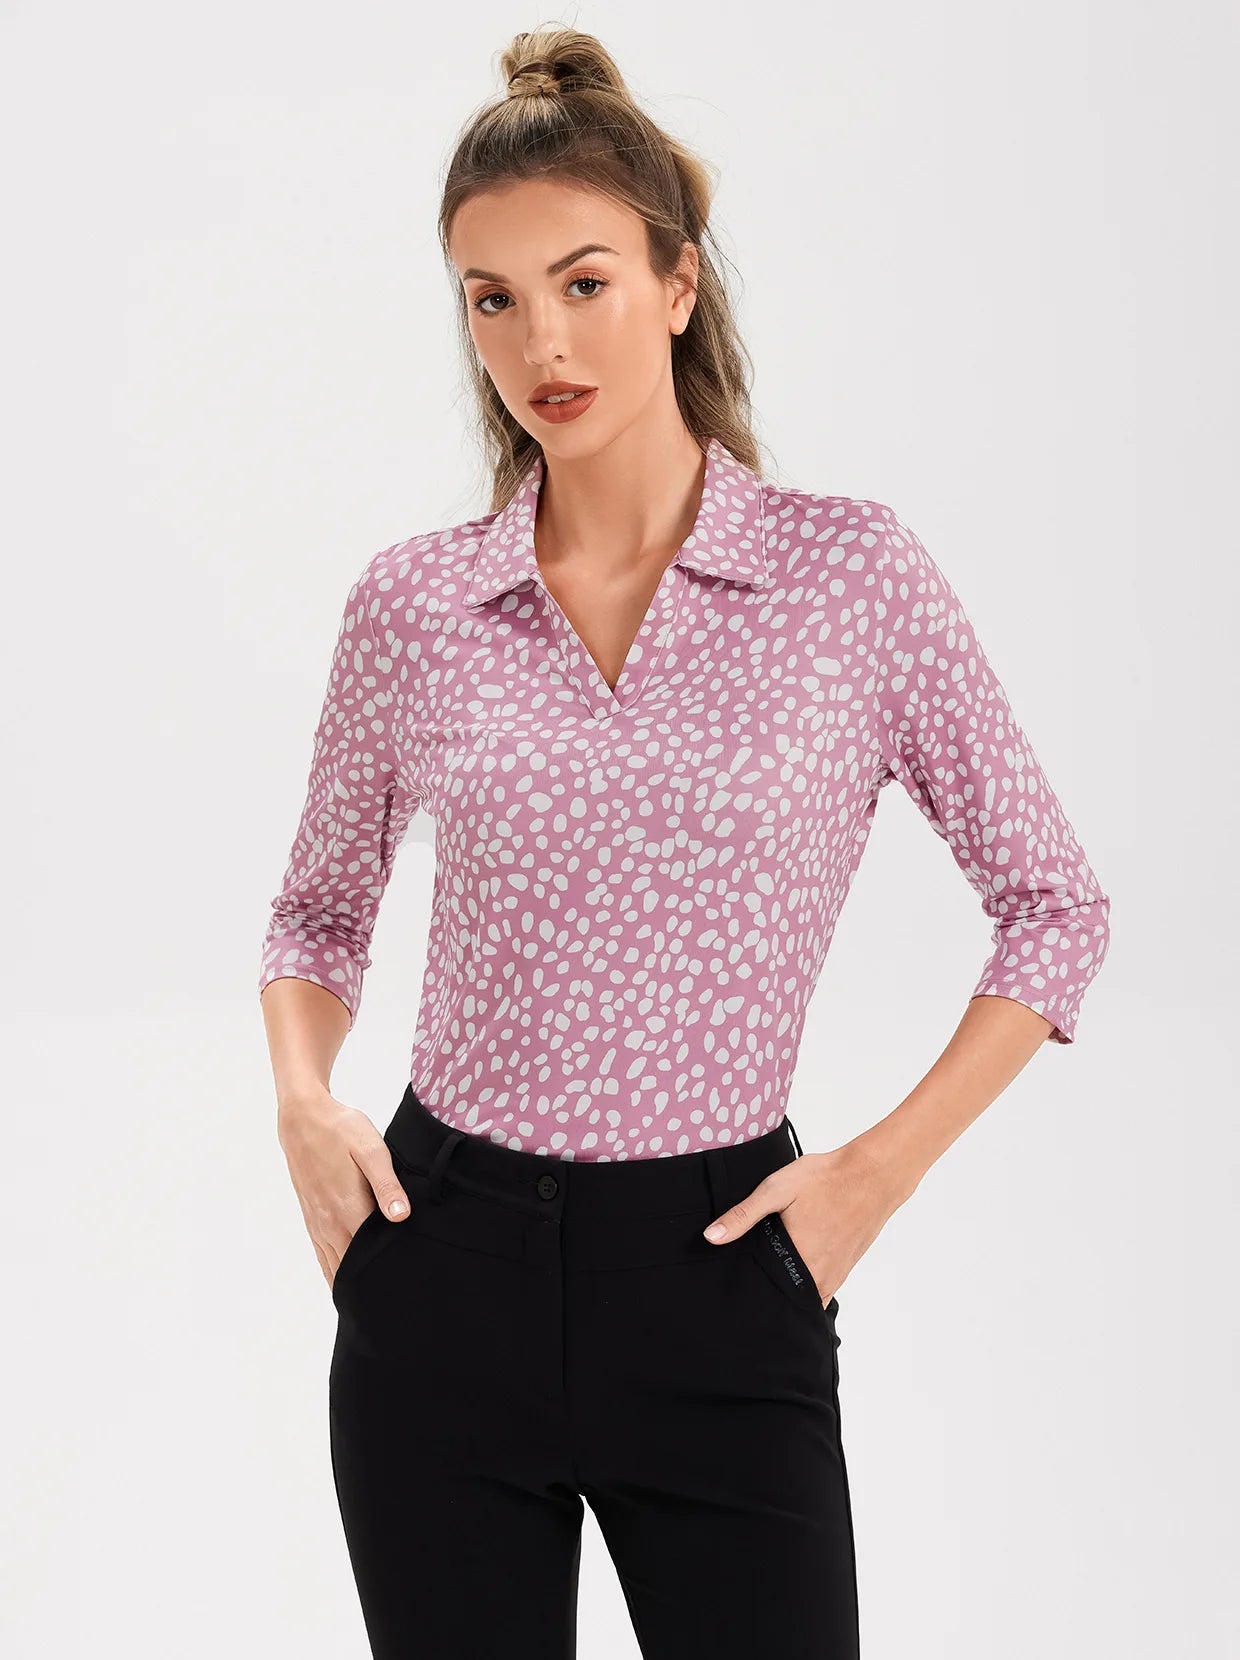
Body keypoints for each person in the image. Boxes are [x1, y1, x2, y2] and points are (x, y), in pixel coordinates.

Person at [258, 26, 1111, 1660]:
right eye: (492, 299)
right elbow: (317, 910)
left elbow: (1054, 906)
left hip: (726, 1272)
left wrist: (872, 1176)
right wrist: (305, 1103)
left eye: (583, 283)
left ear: (676, 283)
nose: (539, 343)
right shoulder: (416, 603)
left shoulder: (850, 581)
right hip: (440, 1271)